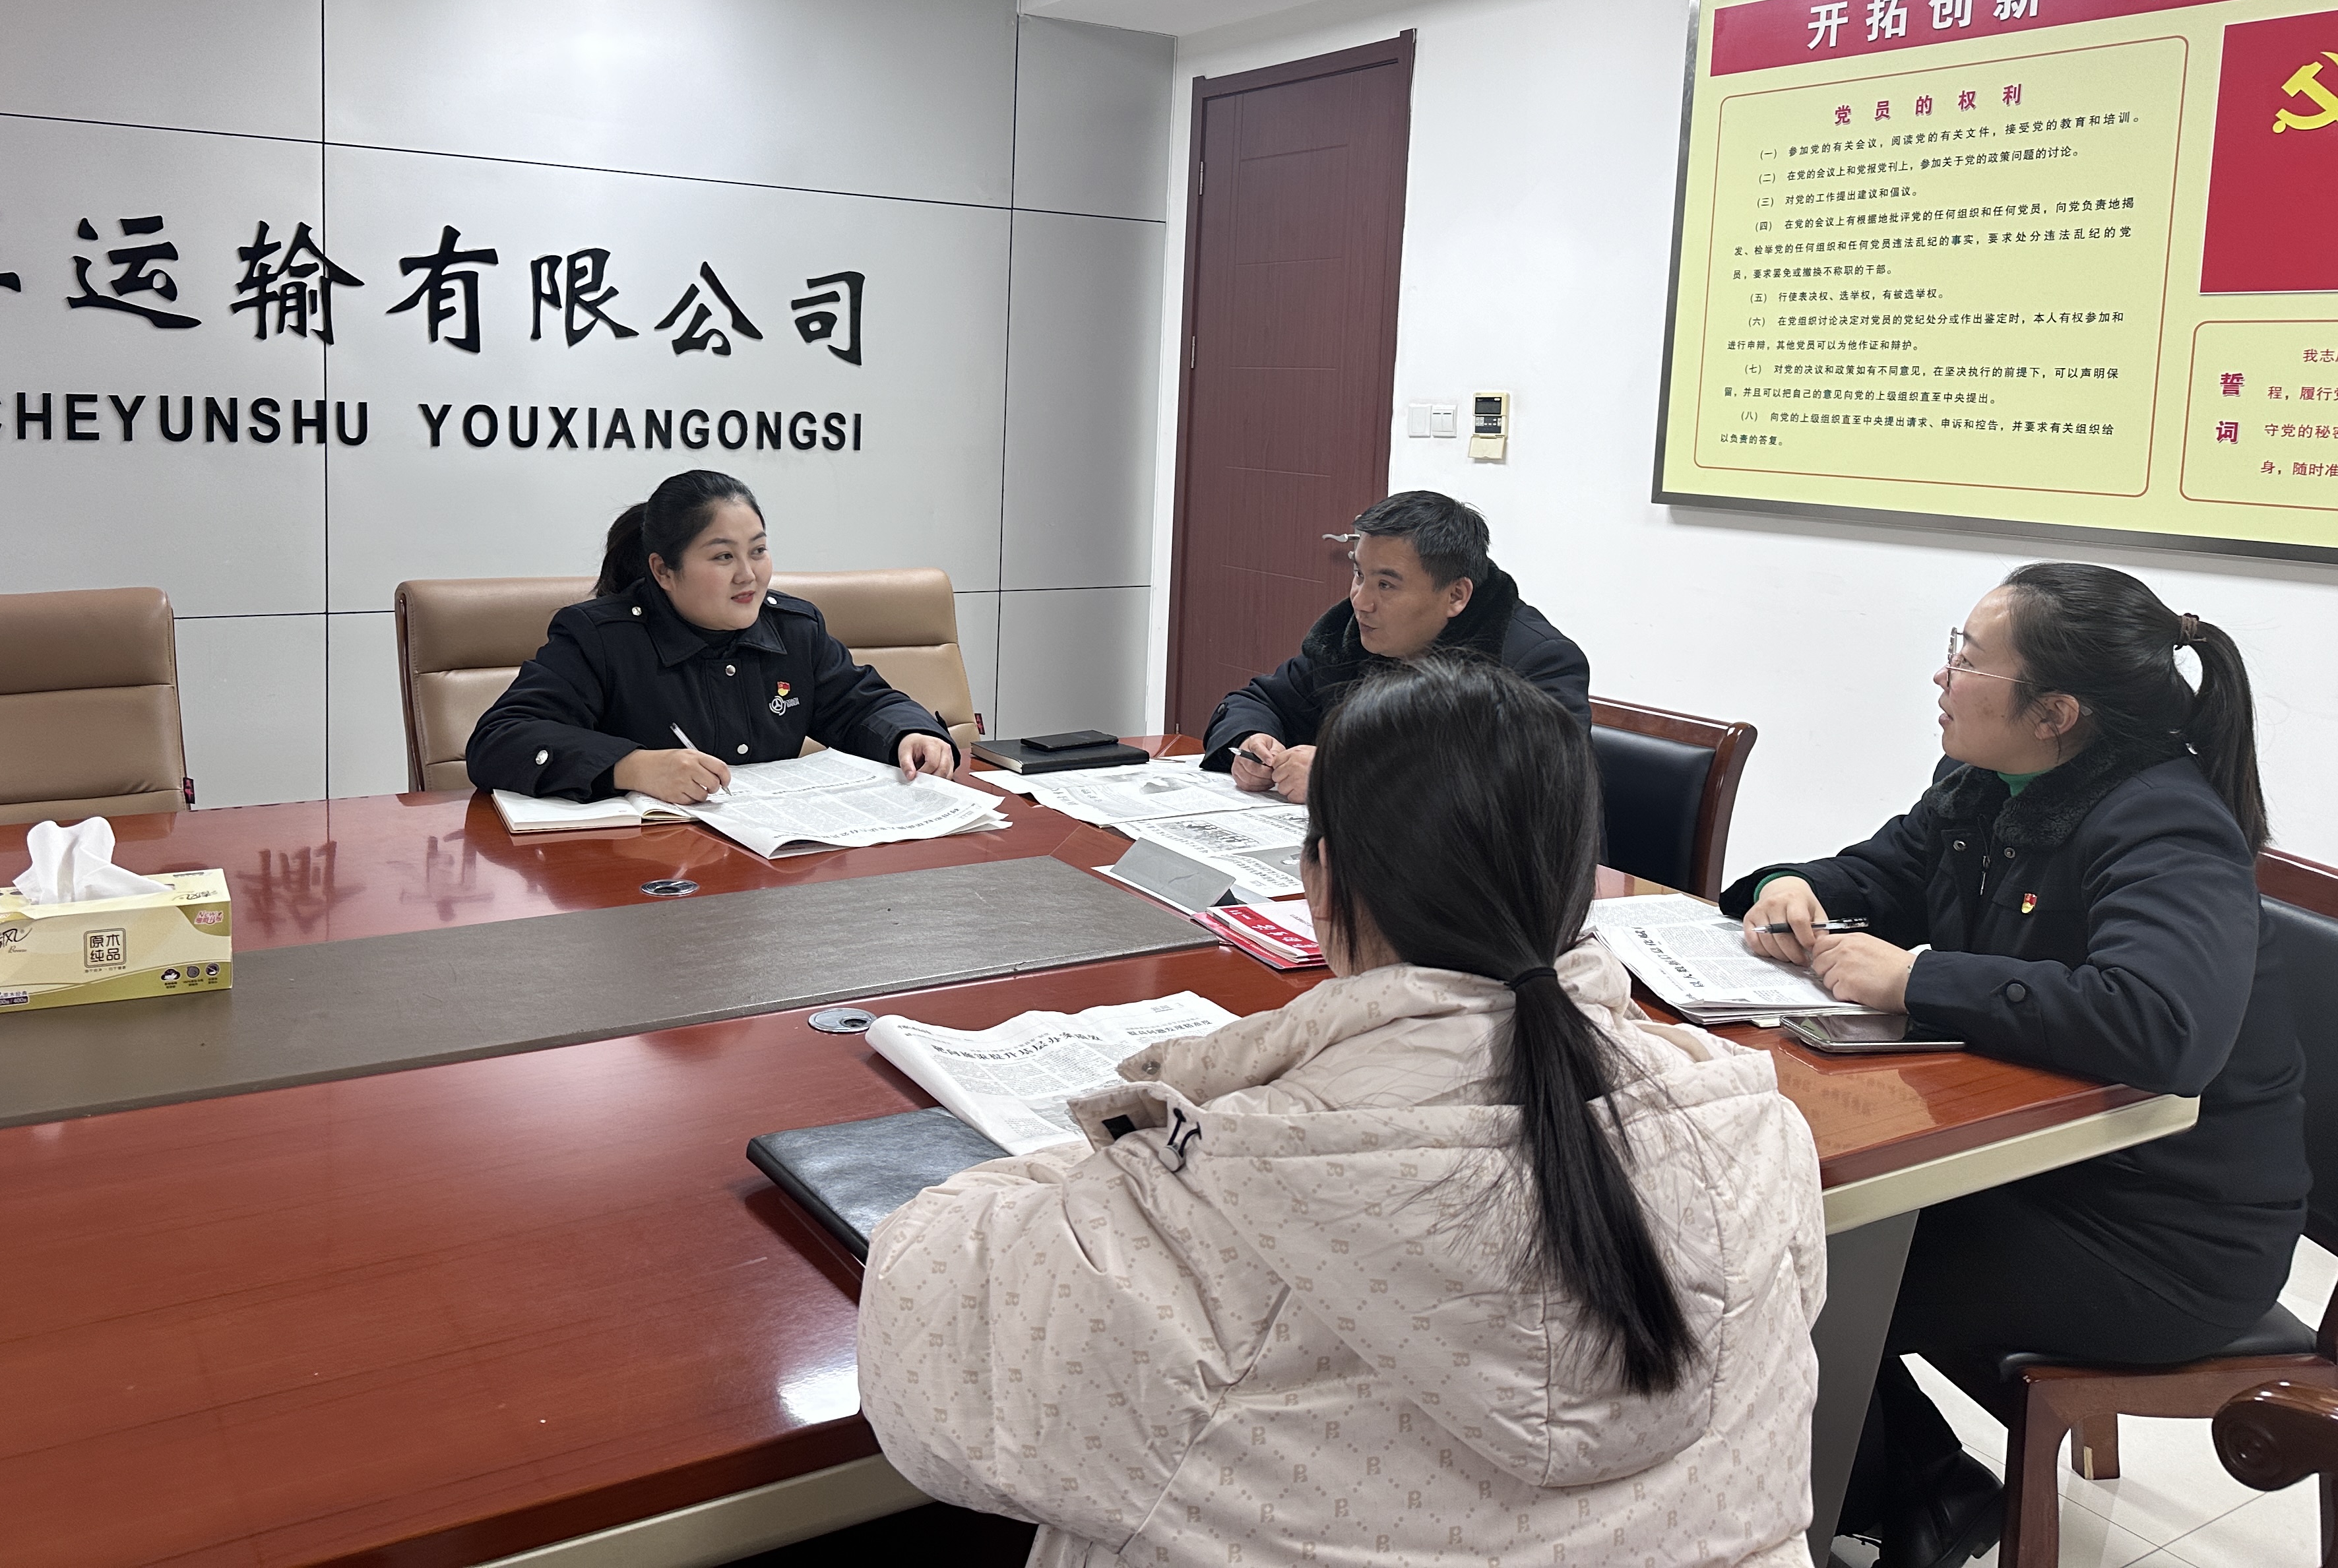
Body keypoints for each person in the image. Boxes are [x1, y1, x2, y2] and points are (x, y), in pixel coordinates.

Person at [860, 655, 1826, 1568]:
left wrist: (1134, 1148)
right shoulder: (1753, 1130)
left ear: (1320, 882)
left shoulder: (1221, 1198)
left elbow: (923, 1352)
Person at [1726, 562, 2307, 1568]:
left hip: (2160, 1233)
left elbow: (2164, 1024)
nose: (1943, 676)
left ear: (2055, 713)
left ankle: (1908, 1499)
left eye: (1968, 658)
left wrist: (1919, 979)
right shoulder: (1984, 782)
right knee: (1766, 1229)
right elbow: (1881, 874)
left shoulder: (2164, 823)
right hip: (2039, 1171)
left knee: (1783, 1266)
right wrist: (1789, 887)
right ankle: (1923, 1486)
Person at [465, 470, 959, 805]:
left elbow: (861, 705)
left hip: (769, 863)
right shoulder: (601, 638)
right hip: (642, 876)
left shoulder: (794, 629)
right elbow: (498, 740)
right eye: (723, 557)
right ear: (663, 570)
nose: (749, 575)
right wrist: (631, 766)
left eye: (758, 551)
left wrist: (910, 733)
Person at [1202, 488, 1589, 801]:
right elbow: (1259, 702)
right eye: (1359, 574)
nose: (1361, 601)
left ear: (1456, 595)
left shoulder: (1535, 661)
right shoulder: (1350, 636)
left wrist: (1340, 776)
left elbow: (1534, 792)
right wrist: (1251, 744)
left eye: (1386, 585)